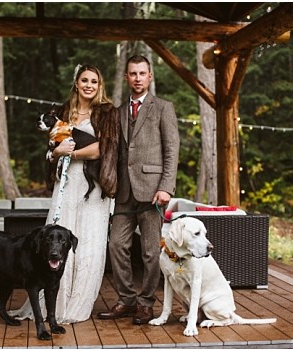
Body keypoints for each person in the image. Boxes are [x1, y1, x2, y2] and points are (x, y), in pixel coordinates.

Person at [9, 64, 120, 324]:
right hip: (66, 184)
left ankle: (76, 304)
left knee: (88, 245)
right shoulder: (61, 112)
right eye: (84, 80)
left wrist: (71, 153)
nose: (89, 85)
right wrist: (57, 153)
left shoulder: (106, 113)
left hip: (93, 186)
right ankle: (51, 305)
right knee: (55, 239)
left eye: (94, 81)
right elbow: (51, 148)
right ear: (77, 83)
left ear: (99, 85)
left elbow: (103, 149)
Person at [96, 54, 179, 324]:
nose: (138, 78)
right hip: (123, 192)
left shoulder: (163, 108)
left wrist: (166, 186)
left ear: (150, 76)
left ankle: (146, 303)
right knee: (116, 245)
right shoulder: (118, 112)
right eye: (133, 74)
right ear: (126, 77)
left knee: (150, 251)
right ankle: (127, 299)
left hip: (153, 190)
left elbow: (172, 150)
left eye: (142, 73)